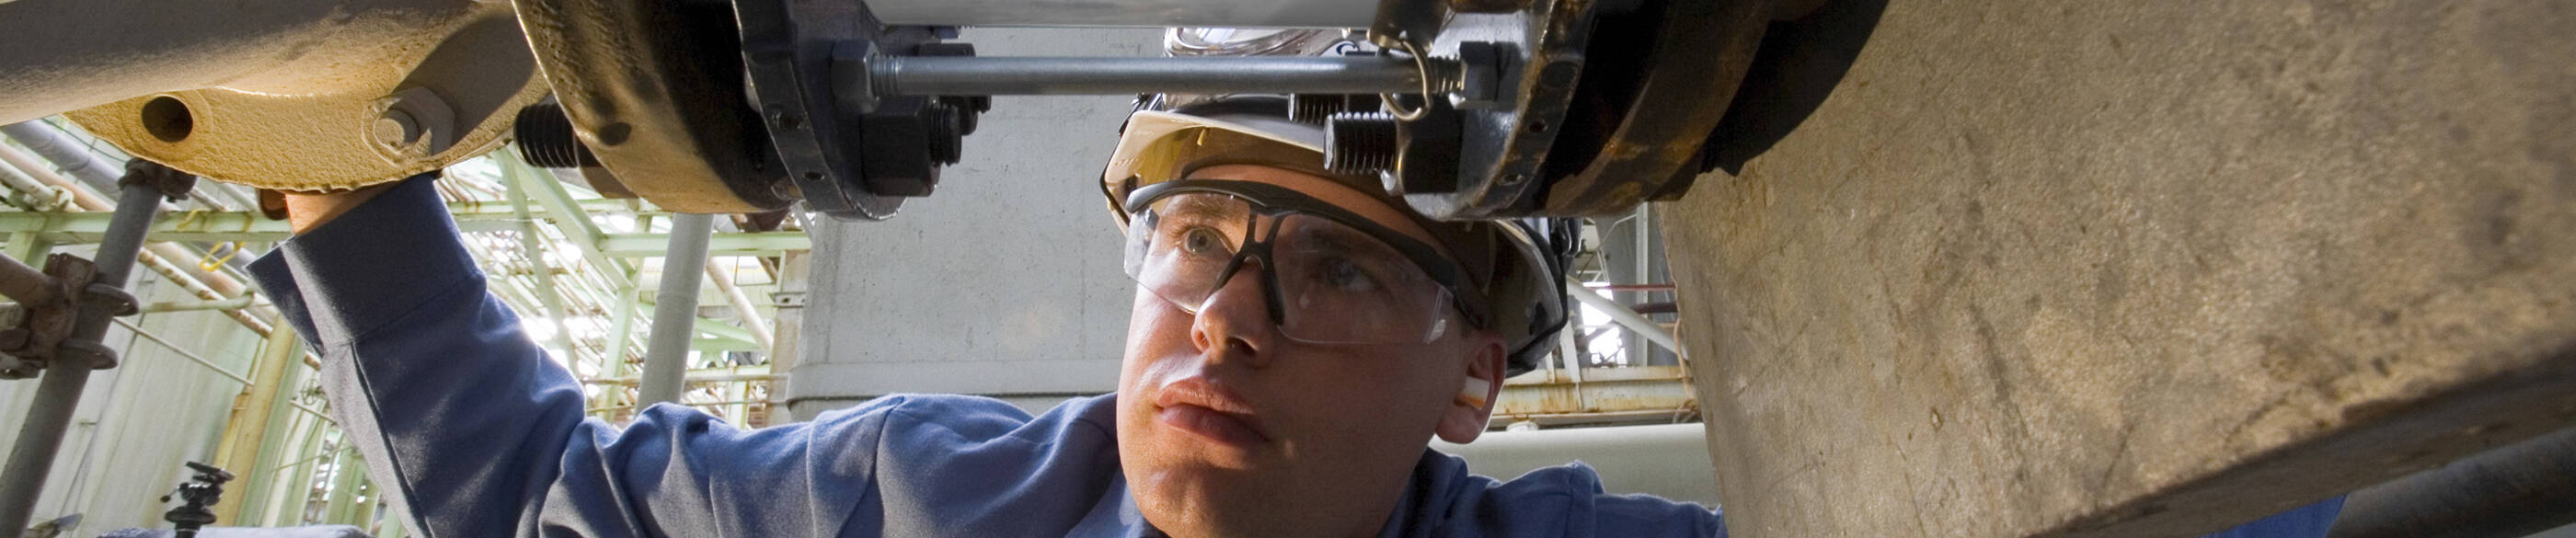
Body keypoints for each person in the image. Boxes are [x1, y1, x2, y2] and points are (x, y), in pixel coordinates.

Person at [253, 97, 2344, 537]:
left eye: (1334, 266)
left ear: (1473, 376)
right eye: (1197, 241)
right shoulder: (924, 492)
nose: (1227, 320)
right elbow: (533, 489)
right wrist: (338, 145)